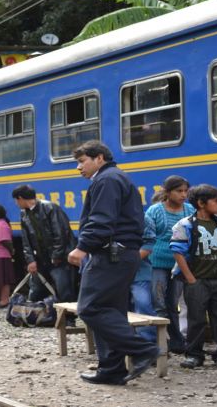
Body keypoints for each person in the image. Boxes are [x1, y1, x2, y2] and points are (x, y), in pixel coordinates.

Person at [67, 140, 158, 385]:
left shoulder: (106, 179)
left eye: (82, 161)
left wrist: (82, 247)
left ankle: (142, 349)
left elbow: (101, 220)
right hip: (122, 254)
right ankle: (112, 369)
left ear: (99, 159)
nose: (78, 167)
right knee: (111, 310)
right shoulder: (115, 178)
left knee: (90, 308)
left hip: (111, 254)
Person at [170, 184, 217, 370]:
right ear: (201, 203)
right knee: (196, 319)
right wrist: (190, 279)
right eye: (216, 201)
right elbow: (178, 252)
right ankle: (194, 354)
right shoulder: (185, 225)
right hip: (197, 281)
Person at [144, 175, 193, 354]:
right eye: (179, 191)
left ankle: (175, 341)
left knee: (173, 303)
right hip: (157, 262)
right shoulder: (154, 211)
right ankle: (159, 342)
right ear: (167, 192)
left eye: (185, 191)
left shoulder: (189, 209)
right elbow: (148, 236)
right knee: (158, 302)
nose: (183, 195)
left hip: (180, 262)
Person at [11, 185, 77, 303]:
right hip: (40, 258)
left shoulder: (50, 208)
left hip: (58, 259)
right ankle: (38, 315)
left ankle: (67, 319)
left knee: (64, 290)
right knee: (36, 290)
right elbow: (26, 239)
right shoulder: (24, 213)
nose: (16, 203)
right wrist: (30, 260)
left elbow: (61, 233)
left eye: (16, 200)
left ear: (20, 198)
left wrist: (56, 256)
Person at [131, 221, 157, 342]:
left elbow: (148, 244)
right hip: (112, 273)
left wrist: (128, 262)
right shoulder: (107, 215)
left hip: (139, 272)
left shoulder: (143, 218)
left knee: (143, 305)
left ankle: (148, 344)